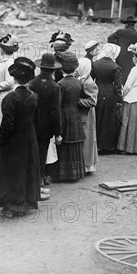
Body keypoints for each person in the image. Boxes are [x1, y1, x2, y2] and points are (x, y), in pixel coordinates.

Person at [0, 57, 40, 218]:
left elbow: (7, 124)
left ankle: (10, 205)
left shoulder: (10, 98)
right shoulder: (34, 97)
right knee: (25, 169)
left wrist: (2, 142)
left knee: (9, 172)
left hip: (13, 140)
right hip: (29, 138)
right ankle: (23, 203)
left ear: (14, 78)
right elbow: (36, 119)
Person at [28, 53, 62, 188]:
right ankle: (38, 181)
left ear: (40, 68)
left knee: (31, 153)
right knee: (42, 155)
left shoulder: (32, 84)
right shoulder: (54, 87)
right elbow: (55, 112)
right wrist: (58, 133)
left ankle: (30, 180)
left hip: (31, 125)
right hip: (45, 128)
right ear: (53, 70)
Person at [55, 52, 86, 180]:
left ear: (61, 68)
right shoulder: (79, 83)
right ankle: (76, 172)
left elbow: (57, 104)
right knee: (74, 141)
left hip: (64, 114)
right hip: (75, 113)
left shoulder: (60, 84)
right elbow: (82, 98)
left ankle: (63, 174)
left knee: (65, 143)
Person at [117, 43, 137, 154]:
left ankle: (127, 146)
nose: (132, 58)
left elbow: (127, 86)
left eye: (134, 56)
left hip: (130, 99)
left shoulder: (135, 69)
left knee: (128, 122)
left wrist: (122, 95)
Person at [91, 43, 122, 154]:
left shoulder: (95, 64)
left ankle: (96, 143)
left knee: (98, 116)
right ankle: (107, 145)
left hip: (97, 90)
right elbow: (118, 86)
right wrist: (119, 99)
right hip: (109, 92)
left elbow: (91, 79)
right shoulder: (115, 66)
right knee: (108, 119)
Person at [76, 58, 99, 173]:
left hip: (87, 115)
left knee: (87, 139)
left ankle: (86, 165)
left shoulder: (89, 83)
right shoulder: (82, 79)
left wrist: (77, 100)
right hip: (83, 114)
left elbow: (92, 101)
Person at [107, 16, 137, 84]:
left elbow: (110, 38)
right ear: (133, 25)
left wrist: (115, 47)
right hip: (132, 57)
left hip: (120, 55)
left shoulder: (120, 31)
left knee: (120, 72)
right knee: (130, 72)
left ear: (126, 24)